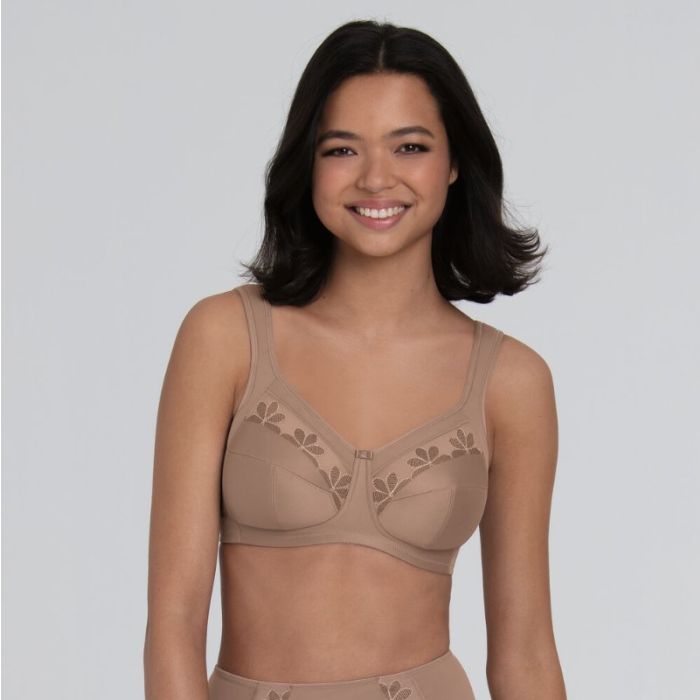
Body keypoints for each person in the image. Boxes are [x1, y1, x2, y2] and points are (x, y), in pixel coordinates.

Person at [143, 19, 566, 700]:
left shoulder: (511, 383)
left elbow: (525, 656)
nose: (376, 178)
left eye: (410, 146)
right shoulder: (224, 338)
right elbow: (172, 628)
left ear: (454, 163)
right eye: (342, 149)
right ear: (307, 164)